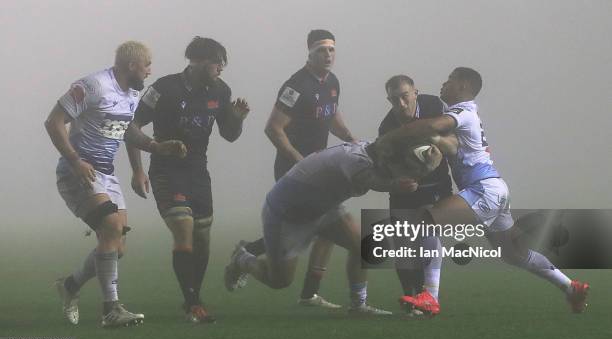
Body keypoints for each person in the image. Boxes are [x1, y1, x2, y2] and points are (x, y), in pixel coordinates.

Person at [376, 67, 589, 315]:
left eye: (449, 80)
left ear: (463, 86)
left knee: (426, 222)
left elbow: (428, 126)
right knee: (514, 254)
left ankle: (430, 298)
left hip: (483, 190)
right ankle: (571, 287)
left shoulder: (463, 111)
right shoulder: (464, 113)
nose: (443, 84)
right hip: (494, 188)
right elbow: (445, 142)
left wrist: (389, 139)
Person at [47, 41, 186, 328]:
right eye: (147, 65)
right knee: (111, 227)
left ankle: (70, 285)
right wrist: (75, 160)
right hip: (78, 172)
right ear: (132, 65)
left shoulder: (132, 92)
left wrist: (155, 148)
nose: (150, 70)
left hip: (106, 175)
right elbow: (53, 121)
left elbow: (127, 130)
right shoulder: (93, 85)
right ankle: (111, 310)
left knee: (116, 246)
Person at [225, 139, 444, 314]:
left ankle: (358, 305)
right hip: (287, 214)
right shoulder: (357, 161)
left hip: (323, 208)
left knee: (364, 246)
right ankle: (242, 259)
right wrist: (396, 185)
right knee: (279, 280)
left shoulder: (377, 156)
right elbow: (374, 182)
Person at [128, 37, 249, 323]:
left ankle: (193, 296)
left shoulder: (221, 91)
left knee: (202, 238)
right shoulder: (163, 88)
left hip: (198, 173)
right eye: (217, 62)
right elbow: (131, 126)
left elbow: (229, 135)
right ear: (197, 61)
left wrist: (238, 118)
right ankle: (193, 303)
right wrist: (138, 169)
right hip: (166, 171)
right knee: (184, 228)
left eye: (223, 63)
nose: (221, 68)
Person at [233, 29, 356, 309]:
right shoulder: (296, 85)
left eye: (332, 50)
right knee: (317, 227)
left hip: (321, 172)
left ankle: (307, 293)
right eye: (321, 50)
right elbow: (273, 129)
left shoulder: (332, 81)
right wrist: (302, 161)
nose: (328, 55)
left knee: (324, 227)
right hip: (296, 175)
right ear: (309, 52)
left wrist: (350, 139)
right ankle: (247, 257)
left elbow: (332, 113)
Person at [379, 75, 453, 314]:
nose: (401, 104)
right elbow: (387, 166)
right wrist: (400, 180)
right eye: (394, 99)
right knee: (403, 246)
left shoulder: (434, 107)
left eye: (405, 96)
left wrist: (437, 150)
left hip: (436, 186)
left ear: (415, 93)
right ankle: (411, 298)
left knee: (426, 235)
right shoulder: (388, 127)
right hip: (406, 189)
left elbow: (454, 138)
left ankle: (428, 296)